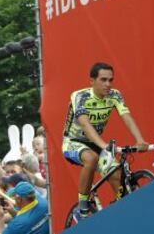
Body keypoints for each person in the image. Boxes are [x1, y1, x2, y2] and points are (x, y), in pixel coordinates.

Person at [62, 62, 148, 219]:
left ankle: (125, 215)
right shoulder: (80, 96)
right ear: (92, 81)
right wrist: (103, 146)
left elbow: (126, 117)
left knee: (117, 175)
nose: (108, 84)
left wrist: (140, 139)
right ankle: (83, 206)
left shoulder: (114, 95)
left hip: (96, 143)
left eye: (110, 80)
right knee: (92, 158)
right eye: (103, 80)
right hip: (73, 142)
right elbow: (85, 124)